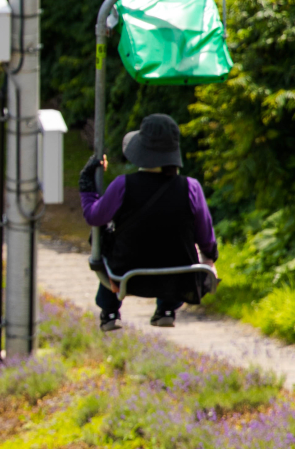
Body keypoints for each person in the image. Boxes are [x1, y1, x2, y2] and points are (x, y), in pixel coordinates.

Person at [80, 113, 218, 330]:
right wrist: (211, 258)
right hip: (177, 276)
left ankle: (110, 310)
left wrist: (86, 184)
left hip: (125, 274)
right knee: (182, 242)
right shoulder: (191, 188)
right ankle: (166, 308)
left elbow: (94, 216)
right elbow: (206, 237)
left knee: (105, 235)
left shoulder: (122, 185)